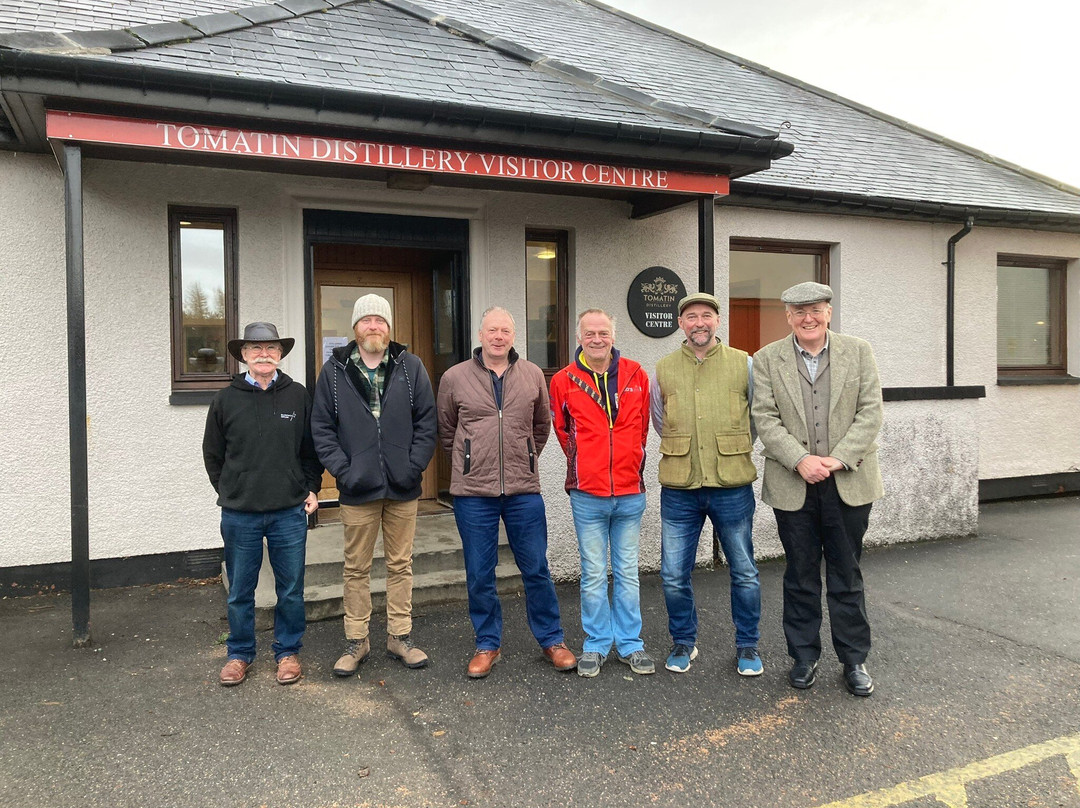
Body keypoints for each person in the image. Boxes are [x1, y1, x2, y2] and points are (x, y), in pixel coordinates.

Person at [752, 282, 883, 697]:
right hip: (794, 483)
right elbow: (765, 417)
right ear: (788, 317)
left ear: (828, 312)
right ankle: (803, 657)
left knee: (847, 574)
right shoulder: (767, 358)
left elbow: (871, 410)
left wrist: (838, 458)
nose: (807, 318)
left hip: (847, 479)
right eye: (798, 311)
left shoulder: (858, 351)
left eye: (815, 310)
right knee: (800, 574)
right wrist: (800, 459)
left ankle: (854, 660)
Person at [437, 306, 576, 679]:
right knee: (479, 572)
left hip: (522, 490)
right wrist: (470, 461)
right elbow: (447, 431)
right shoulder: (454, 377)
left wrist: (524, 458)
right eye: (492, 330)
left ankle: (552, 639)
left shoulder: (531, 374)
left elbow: (541, 427)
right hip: (473, 492)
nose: (499, 336)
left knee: (536, 568)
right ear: (479, 335)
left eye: (505, 331)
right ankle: (487, 643)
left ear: (514, 337)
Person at [311, 294, 437, 676]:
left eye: (380, 321)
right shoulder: (333, 372)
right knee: (356, 568)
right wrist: (343, 472)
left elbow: (427, 423)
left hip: (402, 487)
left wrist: (413, 466)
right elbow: (322, 428)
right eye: (366, 320)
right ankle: (357, 641)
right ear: (355, 328)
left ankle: (400, 636)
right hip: (358, 488)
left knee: (401, 564)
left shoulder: (410, 366)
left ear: (389, 327)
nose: (373, 327)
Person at [203, 322, 323, 687]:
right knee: (241, 590)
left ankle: (287, 652)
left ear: (281, 354)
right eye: (255, 349)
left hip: (288, 511)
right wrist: (232, 490)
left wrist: (311, 487)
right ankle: (239, 654)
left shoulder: (298, 395)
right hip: (241, 514)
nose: (263, 354)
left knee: (291, 589)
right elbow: (213, 455)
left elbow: (311, 451)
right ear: (243, 355)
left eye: (271, 348)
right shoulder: (226, 399)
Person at [652, 292, 763, 676]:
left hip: (731, 485)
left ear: (718, 321)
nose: (699, 322)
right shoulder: (664, 368)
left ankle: (747, 646)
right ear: (681, 324)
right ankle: (684, 642)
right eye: (691, 317)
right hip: (680, 488)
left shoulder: (743, 363)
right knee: (672, 574)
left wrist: (731, 447)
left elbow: (757, 417)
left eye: (706, 316)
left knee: (744, 570)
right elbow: (659, 419)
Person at [550, 309, 654, 677]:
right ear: (579, 337)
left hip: (629, 492)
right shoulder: (563, 380)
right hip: (587, 495)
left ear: (613, 335)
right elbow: (563, 432)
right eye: (590, 333)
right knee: (593, 572)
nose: (597, 339)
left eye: (604, 332)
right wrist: (587, 464)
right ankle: (595, 644)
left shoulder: (636, 374)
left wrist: (630, 462)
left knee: (627, 572)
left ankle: (630, 644)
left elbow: (642, 429)